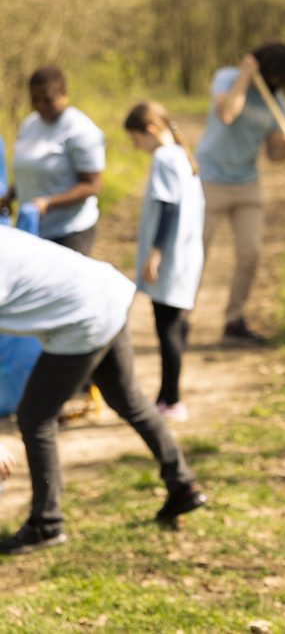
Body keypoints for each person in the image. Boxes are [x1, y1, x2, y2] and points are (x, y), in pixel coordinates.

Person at [0, 226, 206, 554]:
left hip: (83, 316)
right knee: (129, 400)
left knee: (35, 417)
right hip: (104, 293)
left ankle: (46, 523)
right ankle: (182, 483)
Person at [194, 43, 285, 345]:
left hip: (246, 182)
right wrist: (244, 76)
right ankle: (182, 318)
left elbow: (273, 154)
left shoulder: (277, 103)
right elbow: (227, 113)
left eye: (283, 78)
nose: (276, 82)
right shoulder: (227, 78)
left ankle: (233, 320)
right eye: (273, 74)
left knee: (250, 253)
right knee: (197, 251)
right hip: (209, 178)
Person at [124, 101, 205, 422]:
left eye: (135, 140)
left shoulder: (164, 157)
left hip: (170, 257)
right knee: (174, 325)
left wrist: (154, 252)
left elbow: (169, 209)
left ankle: (172, 400)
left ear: (150, 131)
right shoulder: (182, 156)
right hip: (186, 255)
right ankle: (165, 395)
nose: (137, 147)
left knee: (167, 327)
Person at [0, 65, 105, 254]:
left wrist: (48, 202)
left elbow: (92, 185)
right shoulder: (30, 124)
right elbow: (30, 170)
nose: (41, 106)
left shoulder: (80, 130)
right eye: (35, 100)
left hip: (69, 231)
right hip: (34, 231)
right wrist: (8, 197)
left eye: (48, 100)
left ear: (64, 94)